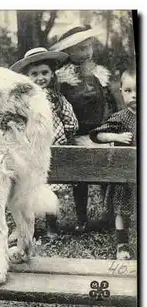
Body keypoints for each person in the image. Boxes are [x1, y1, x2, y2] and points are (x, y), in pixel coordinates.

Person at [50, 25, 119, 232]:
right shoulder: (62, 80)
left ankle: (109, 215)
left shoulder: (99, 75)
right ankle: (82, 218)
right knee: (80, 178)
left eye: (89, 47)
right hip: (77, 134)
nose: (87, 52)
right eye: (80, 49)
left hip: (99, 132)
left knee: (107, 175)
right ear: (69, 52)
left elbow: (110, 103)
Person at [10, 47, 79, 237]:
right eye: (34, 74)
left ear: (52, 74)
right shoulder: (22, 101)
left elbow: (71, 122)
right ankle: (22, 227)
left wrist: (64, 135)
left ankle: (51, 226)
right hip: (29, 150)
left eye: (44, 73)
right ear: (26, 77)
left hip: (52, 149)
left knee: (51, 187)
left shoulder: (58, 99)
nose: (40, 78)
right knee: (24, 187)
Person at [89, 68, 136, 259]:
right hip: (124, 174)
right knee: (122, 210)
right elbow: (97, 134)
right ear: (121, 92)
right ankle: (122, 244)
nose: (134, 96)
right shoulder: (121, 117)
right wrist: (116, 136)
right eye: (128, 91)